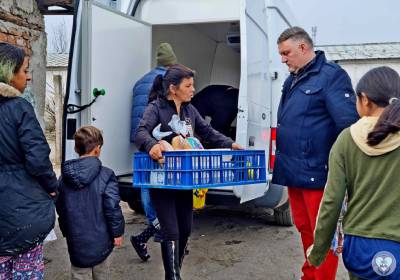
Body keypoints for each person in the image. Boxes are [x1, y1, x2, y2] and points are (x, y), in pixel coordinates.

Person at [135, 64, 242, 279]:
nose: (193, 89)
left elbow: (208, 132)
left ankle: (174, 273)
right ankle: (173, 277)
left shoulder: (189, 110)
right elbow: (140, 133)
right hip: (162, 181)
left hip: (184, 180)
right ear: (173, 88)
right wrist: (152, 146)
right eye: (189, 85)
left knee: (184, 230)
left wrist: (231, 144)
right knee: (171, 231)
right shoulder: (156, 108)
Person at [271, 26, 359, 280]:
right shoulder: (292, 79)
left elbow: (347, 125)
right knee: (304, 229)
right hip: (293, 171)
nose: (283, 59)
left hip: (318, 173)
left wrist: (342, 172)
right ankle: (310, 274)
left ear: (303, 47)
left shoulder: (331, 76)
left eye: (286, 52)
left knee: (323, 234)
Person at [307, 66, 400, 280]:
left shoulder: (346, 139)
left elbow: (332, 202)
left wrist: (318, 251)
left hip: (361, 246)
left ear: (365, 100)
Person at [0, 42, 58, 279]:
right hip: (22, 215)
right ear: (9, 74)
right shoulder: (19, 108)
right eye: (24, 70)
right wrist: (52, 188)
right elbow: (38, 160)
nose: (28, 77)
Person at [56, 126, 125, 280]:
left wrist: (67, 232)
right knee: (102, 274)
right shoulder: (106, 175)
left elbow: (61, 208)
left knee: (79, 274)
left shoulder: (63, 178)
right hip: (101, 242)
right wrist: (117, 232)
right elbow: (112, 207)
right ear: (97, 149)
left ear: (76, 148)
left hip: (76, 243)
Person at [130, 42, 178, 261]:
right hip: (156, 140)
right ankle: (158, 226)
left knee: (146, 182)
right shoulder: (167, 83)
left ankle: (156, 228)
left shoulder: (140, 82)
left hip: (140, 138)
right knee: (157, 183)